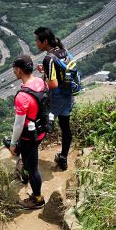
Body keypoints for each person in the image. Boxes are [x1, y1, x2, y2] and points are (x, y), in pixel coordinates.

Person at [6, 54, 47, 209]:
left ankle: (37, 199)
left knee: (33, 167)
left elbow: (18, 125)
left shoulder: (22, 96)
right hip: (41, 130)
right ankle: (24, 174)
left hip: (29, 136)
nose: (14, 72)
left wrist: (13, 143)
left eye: (14, 70)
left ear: (19, 71)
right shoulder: (40, 82)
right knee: (28, 158)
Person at [34, 26, 73, 170]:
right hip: (68, 94)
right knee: (65, 127)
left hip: (56, 98)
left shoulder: (48, 58)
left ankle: (25, 154)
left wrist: (43, 81)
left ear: (44, 41)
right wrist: (46, 71)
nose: (36, 44)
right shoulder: (63, 50)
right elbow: (63, 71)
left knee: (42, 125)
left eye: (37, 41)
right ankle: (63, 158)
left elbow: (53, 84)